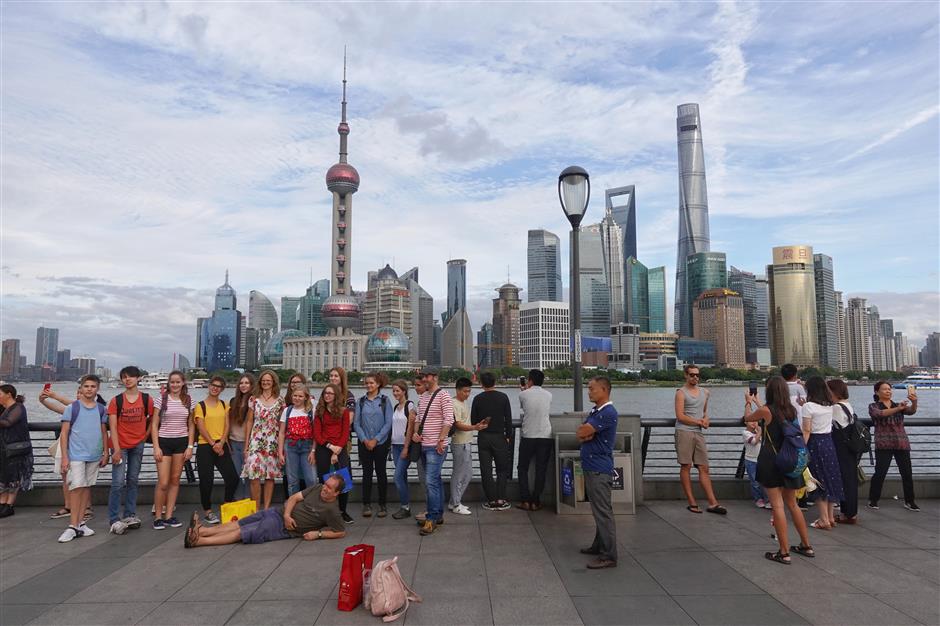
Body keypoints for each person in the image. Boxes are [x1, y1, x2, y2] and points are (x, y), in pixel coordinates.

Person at [744, 376, 814, 565]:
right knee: (793, 504)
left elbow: (748, 418)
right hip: (791, 460)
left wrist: (748, 402)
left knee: (777, 506)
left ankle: (783, 552)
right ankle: (806, 545)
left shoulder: (767, 410)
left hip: (772, 461)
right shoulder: (791, 410)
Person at [185, 474, 347, 547]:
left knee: (241, 532)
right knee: (238, 523)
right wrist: (286, 514)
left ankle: (200, 541)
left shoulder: (332, 510)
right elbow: (294, 498)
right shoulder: (317, 487)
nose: (325, 489)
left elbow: (340, 532)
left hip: (283, 529)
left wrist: (318, 534)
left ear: (337, 493)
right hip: (278, 513)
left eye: (329, 488)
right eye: (326, 484)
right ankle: (203, 530)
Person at [41, 375, 108, 542]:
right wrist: (65, 457)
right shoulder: (73, 408)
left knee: (86, 487)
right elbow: (64, 434)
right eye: (86, 386)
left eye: (93, 386)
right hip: (76, 454)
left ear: (97, 389)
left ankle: (81, 523)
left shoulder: (101, 409)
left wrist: (106, 452)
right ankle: (72, 525)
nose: (89, 389)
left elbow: (103, 432)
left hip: (94, 454)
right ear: (81, 389)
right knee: (76, 488)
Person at [577, 376, 618, 569]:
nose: (589, 391)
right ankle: (598, 545)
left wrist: (587, 433)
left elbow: (584, 432)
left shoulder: (607, 413)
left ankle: (609, 555)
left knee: (603, 512)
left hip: (599, 469)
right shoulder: (596, 411)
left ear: (603, 389)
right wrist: (586, 433)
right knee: (598, 510)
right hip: (592, 467)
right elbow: (583, 432)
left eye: (592, 388)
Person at [105, 366, 153, 534]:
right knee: (117, 483)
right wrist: (116, 450)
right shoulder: (116, 401)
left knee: (133, 480)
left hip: (137, 445)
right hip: (120, 446)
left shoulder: (147, 399)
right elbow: (112, 426)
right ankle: (114, 518)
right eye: (124, 377)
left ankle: (130, 515)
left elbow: (153, 419)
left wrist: (144, 436)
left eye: (131, 376)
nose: (127, 379)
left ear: (138, 378)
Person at [674, 364, 725, 515]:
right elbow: (680, 416)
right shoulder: (680, 393)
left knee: (704, 467)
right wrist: (698, 422)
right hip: (684, 432)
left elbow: (703, 412)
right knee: (686, 466)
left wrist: (706, 419)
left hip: (698, 432)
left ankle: (713, 503)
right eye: (692, 375)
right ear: (685, 375)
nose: (695, 377)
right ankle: (692, 502)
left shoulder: (705, 392)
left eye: (697, 375)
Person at [151, 370, 195, 530]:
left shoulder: (189, 401)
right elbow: (154, 425)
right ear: (168, 384)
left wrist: (190, 446)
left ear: (183, 383)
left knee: (175, 479)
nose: (175, 385)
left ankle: (169, 515)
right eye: (172, 382)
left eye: (178, 382)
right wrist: (156, 446)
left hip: (181, 442)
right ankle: (158, 516)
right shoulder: (161, 400)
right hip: (164, 441)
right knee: (163, 481)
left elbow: (191, 425)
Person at [194, 376, 240, 525]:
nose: (215, 388)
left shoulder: (224, 405)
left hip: (222, 445)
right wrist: (213, 443)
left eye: (219, 386)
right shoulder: (200, 406)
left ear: (222, 389)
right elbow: (201, 427)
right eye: (213, 385)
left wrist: (221, 443)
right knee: (207, 480)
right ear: (209, 386)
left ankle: (227, 504)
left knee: (232, 477)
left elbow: (227, 425)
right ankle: (207, 511)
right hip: (205, 446)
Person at [868, 381, 919, 511]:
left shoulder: (898, 405)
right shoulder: (874, 406)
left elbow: (911, 412)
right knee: (880, 473)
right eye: (885, 389)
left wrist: (914, 402)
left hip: (901, 443)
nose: (888, 391)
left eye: (889, 389)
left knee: (907, 473)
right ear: (877, 392)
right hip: (884, 444)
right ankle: (873, 500)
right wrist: (898, 408)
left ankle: (910, 501)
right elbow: (879, 414)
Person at [414, 367, 454, 536]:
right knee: (435, 480)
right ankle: (438, 515)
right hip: (423, 445)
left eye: (427, 376)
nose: (424, 379)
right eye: (423, 376)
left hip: (436, 446)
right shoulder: (423, 396)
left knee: (430, 482)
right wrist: (416, 433)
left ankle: (431, 518)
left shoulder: (444, 395)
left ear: (435, 377)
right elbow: (418, 418)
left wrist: (441, 440)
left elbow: (449, 419)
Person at [801, 377, 843, 530]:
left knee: (817, 480)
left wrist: (800, 449)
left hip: (815, 443)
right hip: (828, 443)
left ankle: (824, 519)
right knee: (831, 478)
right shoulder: (829, 406)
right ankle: (830, 517)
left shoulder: (808, 406)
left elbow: (806, 430)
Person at [470, 371, 513, 511]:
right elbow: (509, 419)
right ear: (495, 382)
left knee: (486, 470)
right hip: (500, 437)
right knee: (502, 469)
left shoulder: (477, 398)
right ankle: (501, 499)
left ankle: (491, 500)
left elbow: (473, 421)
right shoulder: (503, 397)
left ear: (481, 383)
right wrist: (508, 436)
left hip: (483, 437)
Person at [242, 370, 284, 511]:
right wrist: (246, 445)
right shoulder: (253, 399)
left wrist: (281, 447)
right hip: (256, 439)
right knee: (254, 476)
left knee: (269, 477)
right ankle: (256, 509)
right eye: (263, 380)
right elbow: (249, 421)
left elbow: (281, 423)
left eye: (269, 380)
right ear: (260, 382)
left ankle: (266, 509)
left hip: (272, 441)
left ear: (274, 382)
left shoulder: (280, 400)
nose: (266, 383)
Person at [313, 383, 353, 523]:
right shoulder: (319, 412)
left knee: (343, 482)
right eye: (325, 393)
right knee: (325, 482)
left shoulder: (344, 412)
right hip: (324, 449)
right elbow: (317, 434)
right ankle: (325, 513)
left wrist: (338, 449)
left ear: (336, 395)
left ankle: (343, 512)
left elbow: (345, 432)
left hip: (340, 449)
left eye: (330, 393)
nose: (327, 395)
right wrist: (330, 447)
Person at [355, 373, 393, 518]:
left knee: (381, 473)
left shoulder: (385, 401)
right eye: (367, 383)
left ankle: (382, 504)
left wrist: (376, 439)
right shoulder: (360, 402)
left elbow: (388, 423)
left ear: (378, 384)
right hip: (364, 444)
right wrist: (365, 440)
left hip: (381, 443)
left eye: (371, 383)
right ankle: (366, 504)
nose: (369, 385)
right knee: (367, 474)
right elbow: (356, 424)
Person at [517, 369, 553, 511]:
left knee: (522, 468)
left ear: (529, 380)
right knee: (541, 469)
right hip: (545, 435)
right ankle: (536, 501)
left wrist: (524, 389)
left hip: (528, 435)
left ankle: (525, 500)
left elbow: (524, 408)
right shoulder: (549, 395)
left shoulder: (523, 394)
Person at [828, 379, 859, 524]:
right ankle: (850, 512)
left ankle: (847, 514)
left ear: (833, 392)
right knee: (850, 480)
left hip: (840, 447)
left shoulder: (836, 408)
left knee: (845, 481)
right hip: (850, 448)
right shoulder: (847, 405)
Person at [781, 363, 811, 510]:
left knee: (786, 461)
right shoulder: (799, 388)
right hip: (799, 429)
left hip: (785, 429)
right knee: (801, 463)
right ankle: (803, 499)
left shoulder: (780, 388)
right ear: (795, 374)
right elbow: (804, 404)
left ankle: (787, 496)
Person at [0, 384, 33, 519]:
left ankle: (9, 505)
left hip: (16, 449)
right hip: (3, 449)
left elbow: (8, 423)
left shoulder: (18, 408)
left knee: (14, 477)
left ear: (9, 394)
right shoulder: (3, 409)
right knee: (3, 477)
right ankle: (2, 504)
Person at [278, 385, 317, 496]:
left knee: (311, 479)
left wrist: (313, 451)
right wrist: (280, 453)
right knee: (292, 480)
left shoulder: (311, 411)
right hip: (290, 446)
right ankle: (294, 507)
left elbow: (315, 433)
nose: (297, 398)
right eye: (295, 395)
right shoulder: (287, 410)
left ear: (306, 397)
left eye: (300, 396)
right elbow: (281, 433)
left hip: (307, 446)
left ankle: (311, 505)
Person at [449, 377, 478, 516]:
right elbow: (458, 424)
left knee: (468, 473)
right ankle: (455, 504)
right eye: (465, 391)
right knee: (459, 474)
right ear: (458, 390)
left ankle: (454, 501)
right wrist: (475, 427)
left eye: (469, 391)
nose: (467, 394)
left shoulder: (463, 403)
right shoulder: (454, 403)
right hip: (460, 443)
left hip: (467, 442)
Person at [390, 379, 417, 520]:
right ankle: (406, 506)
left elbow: (412, 428)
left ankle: (405, 507)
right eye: (393, 390)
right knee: (403, 477)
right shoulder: (396, 407)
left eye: (398, 390)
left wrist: (406, 447)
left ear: (404, 391)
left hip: (404, 446)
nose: (395, 393)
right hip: (395, 446)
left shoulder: (410, 406)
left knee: (397, 477)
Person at [228, 374, 254, 500]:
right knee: (235, 474)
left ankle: (248, 500)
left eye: (247, 383)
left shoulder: (254, 401)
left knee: (249, 475)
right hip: (234, 442)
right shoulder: (234, 401)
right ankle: (238, 501)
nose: (244, 385)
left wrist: (248, 445)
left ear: (252, 385)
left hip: (248, 444)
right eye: (241, 383)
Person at [742, 420, 769, 508]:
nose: (754, 423)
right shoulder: (746, 433)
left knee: (764, 481)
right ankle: (758, 499)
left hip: (761, 460)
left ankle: (767, 499)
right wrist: (760, 431)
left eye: (756, 421)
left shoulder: (758, 431)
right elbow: (754, 442)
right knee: (755, 481)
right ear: (745, 422)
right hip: (751, 461)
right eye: (751, 421)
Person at [329, 367, 356, 454]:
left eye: (336, 376)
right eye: (331, 376)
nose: (333, 378)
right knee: (328, 465)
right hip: (327, 436)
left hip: (342, 436)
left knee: (342, 463)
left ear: (342, 378)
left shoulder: (348, 395)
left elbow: (350, 419)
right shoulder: (327, 394)